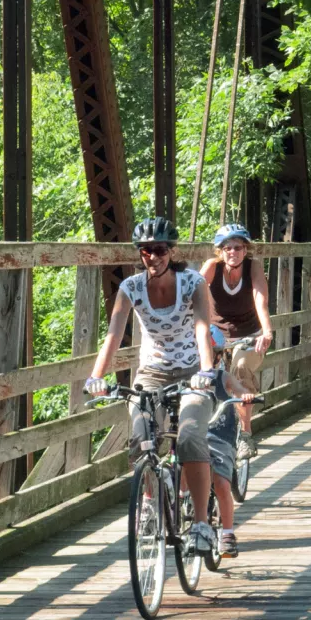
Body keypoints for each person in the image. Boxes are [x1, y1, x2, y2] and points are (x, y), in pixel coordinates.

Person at [84, 217, 222, 555]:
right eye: (146, 250)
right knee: (140, 436)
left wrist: (206, 371)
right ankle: (149, 505)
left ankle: (202, 524)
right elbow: (114, 334)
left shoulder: (192, 283)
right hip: (152, 372)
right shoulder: (131, 287)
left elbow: (204, 329)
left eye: (160, 249)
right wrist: (95, 376)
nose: (153, 256)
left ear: (171, 251)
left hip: (192, 370)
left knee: (189, 437)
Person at [197, 223, 273, 559]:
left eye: (239, 247)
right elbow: (193, 292)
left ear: (246, 250)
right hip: (213, 335)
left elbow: (260, 298)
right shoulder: (211, 269)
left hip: (249, 334)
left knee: (240, 369)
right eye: (227, 247)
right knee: (206, 376)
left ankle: (245, 434)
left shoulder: (254, 269)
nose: (233, 252)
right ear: (219, 251)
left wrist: (266, 331)